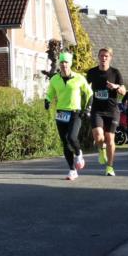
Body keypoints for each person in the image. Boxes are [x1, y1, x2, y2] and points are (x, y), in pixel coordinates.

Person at [45, 51, 93, 181]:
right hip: (61, 112)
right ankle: (72, 170)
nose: (64, 64)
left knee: (72, 138)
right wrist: (47, 100)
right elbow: (50, 92)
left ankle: (78, 153)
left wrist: (87, 108)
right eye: (61, 62)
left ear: (70, 63)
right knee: (65, 143)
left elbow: (89, 93)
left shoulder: (79, 78)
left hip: (75, 112)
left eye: (66, 62)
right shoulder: (55, 79)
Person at [85, 47, 126, 176]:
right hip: (97, 110)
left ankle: (110, 167)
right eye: (101, 56)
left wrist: (116, 87)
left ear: (110, 58)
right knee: (98, 136)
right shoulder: (92, 72)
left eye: (106, 56)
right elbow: (84, 87)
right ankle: (100, 149)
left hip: (112, 110)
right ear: (98, 57)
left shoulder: (115, 73)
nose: (103, 58)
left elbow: (124, 91)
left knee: (110, 139)